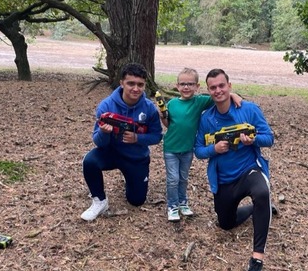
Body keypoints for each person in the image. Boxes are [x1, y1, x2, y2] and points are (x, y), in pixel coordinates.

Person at [194, 68, 274, 271]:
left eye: (222, 85)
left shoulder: (248, 109)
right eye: (213, 87)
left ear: (229, 85)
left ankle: (257, 260)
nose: (218, 90)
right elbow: (198, 150)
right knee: (225, 223)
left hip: (249, 171)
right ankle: (261, 209)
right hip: (224, 180)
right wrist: (214, 149)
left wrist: (252, 140)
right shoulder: (207, 118)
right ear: (209, 91)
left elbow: (270, 138)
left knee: (261, 192)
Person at [81, 63, 163, 221]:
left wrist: (137, 138)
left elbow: (157, 136)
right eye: (131, 83)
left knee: (136, 201)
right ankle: (99, 201)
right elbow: (98, 142)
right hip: (111, 153)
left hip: (136, 158)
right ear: (121, 83)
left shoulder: (149, 108)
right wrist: (104, 133)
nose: (136, 89)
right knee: (90, 161)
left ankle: (131, 178)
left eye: (140, 84)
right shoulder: (106, 106)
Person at [158, 68, 242, 222]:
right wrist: (163, 116)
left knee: (183, 178)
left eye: (190, 84)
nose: (186, 87)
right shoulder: (172, 103)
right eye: (182, 84)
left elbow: (219, 96)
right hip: (171, 148)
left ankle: (183, 203)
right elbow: (168, 124)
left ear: (197, 86)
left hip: (188, 149)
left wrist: (233, 95)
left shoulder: (200, 101)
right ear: (177, 86)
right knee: (172, 179)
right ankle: (172, 206)